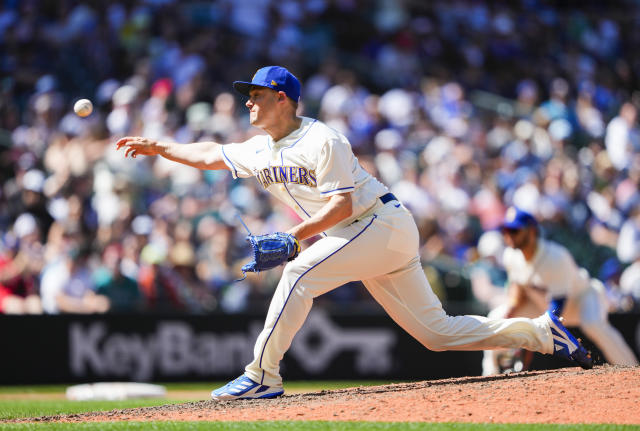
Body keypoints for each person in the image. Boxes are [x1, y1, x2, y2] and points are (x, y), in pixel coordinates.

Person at [116, 66, 593, 401]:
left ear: (283, 99)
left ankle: (262, 374)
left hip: (378, 224)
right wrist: (160, 147)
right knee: (436, 333)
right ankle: (541, 334)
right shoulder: (260, 148)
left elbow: (342, 203)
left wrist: (296, 236)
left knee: (300, 273)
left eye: (257, 94)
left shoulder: (322, 139)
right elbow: (211, 153)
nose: (249, 101)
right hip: (362, 236)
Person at [482, 207, 638, 376]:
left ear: (532, 231)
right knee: (497, 317)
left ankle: (632, 371)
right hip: (543, 305)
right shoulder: (510, 256)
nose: (508, 235)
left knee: (593, 323)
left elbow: (556, 312)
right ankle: (489, 375)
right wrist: (511, 314)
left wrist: (528, 341)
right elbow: (517, 288)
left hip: (582, 298)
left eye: (514, 230)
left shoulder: (555, 257)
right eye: (505, 230)